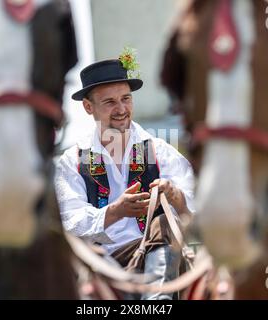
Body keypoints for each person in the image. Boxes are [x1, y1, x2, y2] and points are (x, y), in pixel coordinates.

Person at [55, 58, 195, 300]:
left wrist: (176, 196)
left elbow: (199, 205)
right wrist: (115, 212)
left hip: (158, 255)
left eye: (126, 99)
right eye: (109, 102)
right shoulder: (73, 161)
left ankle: (156, 302)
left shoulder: (159, 150)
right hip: (101, 266)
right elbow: (69, 222)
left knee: (163, 224)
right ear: (89, 107)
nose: (121, 109)